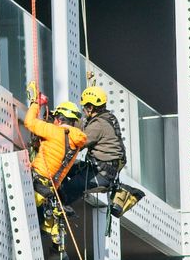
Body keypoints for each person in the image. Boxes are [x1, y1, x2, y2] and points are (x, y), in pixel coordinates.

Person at [58, 85, 145, 217]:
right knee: (68, 170)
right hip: (103, 170)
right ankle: (62, 203)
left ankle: (61, 206)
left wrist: (54, 134)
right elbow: (84, 125)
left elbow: (79, 143)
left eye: (84, 107)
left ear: (91, 107)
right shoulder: (106, 118)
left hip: (101, 174)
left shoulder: (98, 125)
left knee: (70, 186)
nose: (83, 109)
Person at [24, 83, 86, 250]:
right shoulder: (75, 142)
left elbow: (29, 122)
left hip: (37, 181)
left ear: (59, 119)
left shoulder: (55, 131)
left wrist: (36, 103)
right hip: (49, 188)